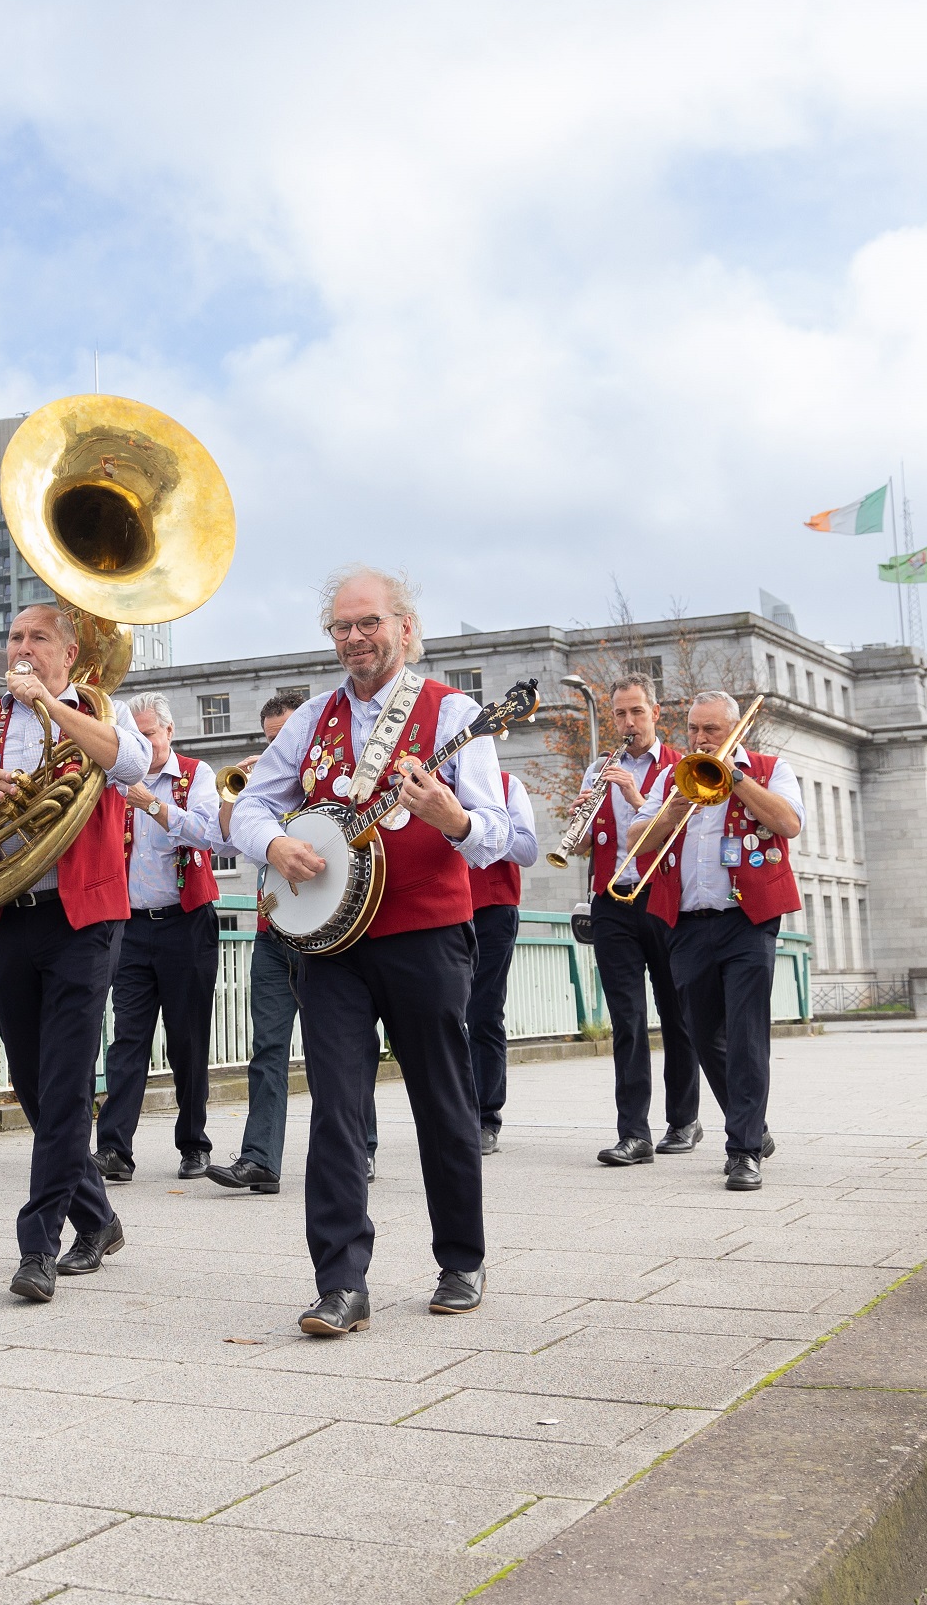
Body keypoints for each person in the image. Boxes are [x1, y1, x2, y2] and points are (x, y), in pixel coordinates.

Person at [231, 566, 515, 1336]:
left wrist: (454, 818)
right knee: (336, 1107)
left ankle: (461, 1258)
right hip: (330, 941)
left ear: (406, 628)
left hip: (425, 931)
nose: (355, 639)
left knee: (441, 1096)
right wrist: (276, 842)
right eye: (341, 628)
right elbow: (250, 803)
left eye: (369, 624)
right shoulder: (312, 717)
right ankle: (341, 1281)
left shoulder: (454, 713)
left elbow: (502, 834)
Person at [0, 603, 149, 1302]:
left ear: (68, 655)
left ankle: (38, 1245)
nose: (22, 650)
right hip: (8, 911)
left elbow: (131, 762)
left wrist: (50, 709)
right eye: (15, 639)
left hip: (84, 916)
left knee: (63, 1083)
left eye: (38, 640)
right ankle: (98, 1216)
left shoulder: (93, 710)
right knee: (33, 1083)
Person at [628, 691, 801, 1193]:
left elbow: (789, 823)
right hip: (686, 922)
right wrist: (669, 811)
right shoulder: (672, 776)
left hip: (747, 919)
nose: (701, 740)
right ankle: (754, 1127)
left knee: (747, 1035)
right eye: (695, 730)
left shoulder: (770, 769)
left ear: (736, 731)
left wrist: (738, 779)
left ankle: (743, 1150)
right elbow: (641, 838)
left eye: (712, 731)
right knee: (703, 1036)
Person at [207, 692, 374, 1196]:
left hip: (326, 934)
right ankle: (260, 1158)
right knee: (268, 1048)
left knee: (342, 1049)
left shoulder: (332, 788)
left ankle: (359, 1147)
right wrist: (242, 792)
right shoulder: (266, 791)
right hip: (271, 931)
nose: (277, 747)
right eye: (270, 740)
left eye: (286, 739)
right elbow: (225, 837)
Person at [95, 693, 225, 1184]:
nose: (142, 744)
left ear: (169, 732)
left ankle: (194, 1143)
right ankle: (114, 1149)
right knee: (127, 1039)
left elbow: (210, 835)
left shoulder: (196, 775)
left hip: (186, 921)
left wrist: (154, 804)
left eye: (148, 734)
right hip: (128, 927)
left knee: (188, 1040)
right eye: (134, 735)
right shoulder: (113, 777)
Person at [582, 677, 711, 1166]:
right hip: (611, 898)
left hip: (662, 894)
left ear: (656, 712)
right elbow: (584, 844)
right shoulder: (599, 769)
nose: (628, 723)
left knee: (676, 1012)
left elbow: (681, 829)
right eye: (619, 714)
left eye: (636, 712)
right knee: (627, 1019)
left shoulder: (681, 766)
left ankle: (683, 1121)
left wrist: (637, 798)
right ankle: (633, 1133)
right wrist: (579, 826)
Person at [461, 744, 542, 1158]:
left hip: (492, 910)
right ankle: (455, 1113)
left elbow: (528, 851)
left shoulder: (509, 787)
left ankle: (486, 1117)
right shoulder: (429, 785)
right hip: (441, 910)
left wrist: (475, 825)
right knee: (440, 1015)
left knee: (484, 1011)